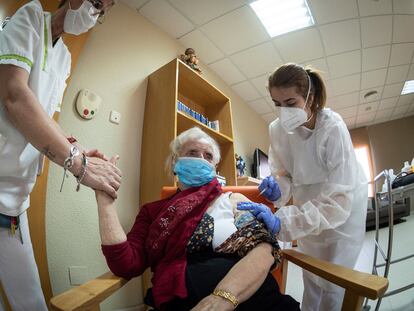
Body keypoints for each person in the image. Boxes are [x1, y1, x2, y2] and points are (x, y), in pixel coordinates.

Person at [96, 127, 300, 311]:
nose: (201, 159)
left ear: (214, 168)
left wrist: (222, 298)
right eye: (192, 153)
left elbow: (264, 250)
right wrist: (105, 201)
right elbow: (125, 264)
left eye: (208, 156)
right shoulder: (153, 212)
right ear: (175, 162)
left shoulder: (232, 200)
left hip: (251, 298)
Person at [0, 1, 119, 310]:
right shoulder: (29, 16)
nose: (95, 15)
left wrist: (77, 150)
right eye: (96, 4)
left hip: (16, 196)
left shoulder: (64, 57)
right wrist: (79, 166)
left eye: (102, 12)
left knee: (31, 300)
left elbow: (48, 118)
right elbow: (15, 94)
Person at [238, 63, 368, 311]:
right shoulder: (277, 130)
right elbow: (285, 174)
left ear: (311, 97)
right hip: (307, 200)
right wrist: (278, 188)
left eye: (290, 103)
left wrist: (285, 223)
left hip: (344, 206)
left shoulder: (332, 127)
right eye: (277, 104)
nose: (283, 111)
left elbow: (338, 200)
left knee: (333, 280)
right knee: (312, 274)